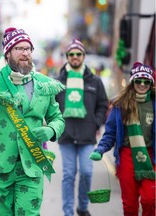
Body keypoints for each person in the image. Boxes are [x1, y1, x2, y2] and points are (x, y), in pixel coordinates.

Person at [0, 27, 65, 215]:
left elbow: (57, 118)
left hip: (31, 166)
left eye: (28, 49)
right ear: (7, 53)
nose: (25, 53)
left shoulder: (44, 83)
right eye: (19, 48)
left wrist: (51, 130)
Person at [89, 62, 155, 216]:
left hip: (151, 157)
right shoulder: (120, 105)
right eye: (139, 81)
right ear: (132, 82)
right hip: (127, 157)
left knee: (150, 200)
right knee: (130, 205)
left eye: (146, 81)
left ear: (151, 83)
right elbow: (110, 133)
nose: (142, 84)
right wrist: (101, 149)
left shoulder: (154, 103)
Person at [55, 38, 108, 216]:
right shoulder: (58, 81)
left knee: (86, 172)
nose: (75, 57)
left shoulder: (95, 81)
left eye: (78, 54)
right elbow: (50, 106)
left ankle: (83, 207)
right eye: (72, 54)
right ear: (67, 56)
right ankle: (68, 212)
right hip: (66, 134)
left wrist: (96, 121)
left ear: (83, 56)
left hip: (87, 135)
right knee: (69, 174)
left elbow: (103, 104)